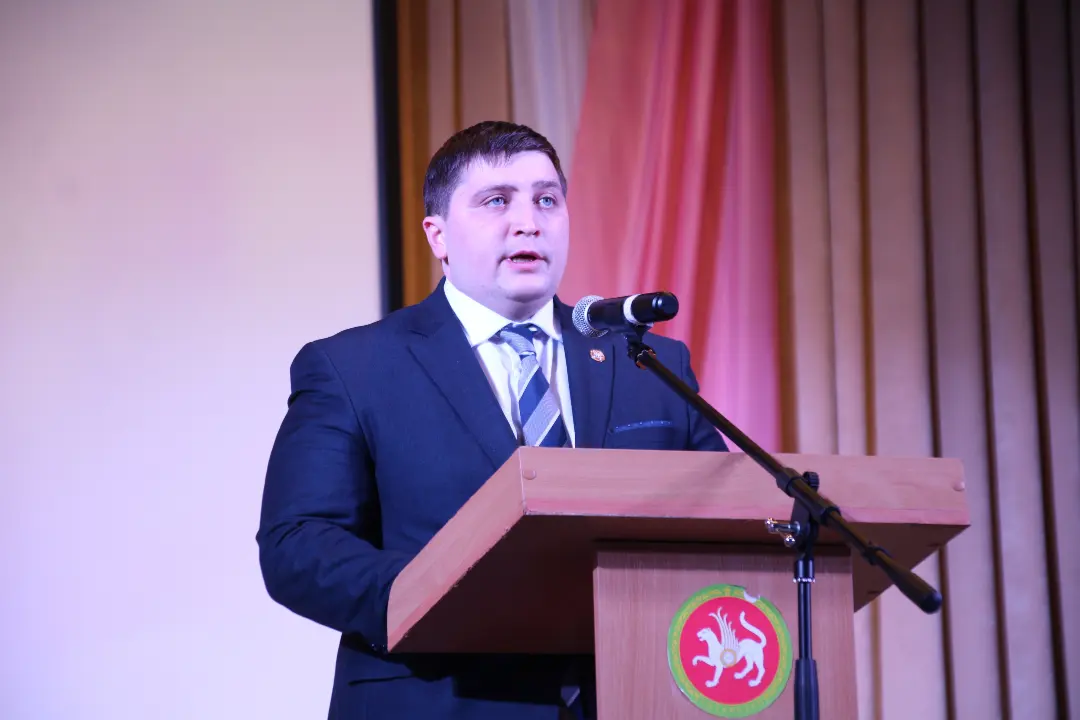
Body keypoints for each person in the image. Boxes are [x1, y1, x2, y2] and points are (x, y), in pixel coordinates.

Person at [257, 121, 728, 719]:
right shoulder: (354, 367)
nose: (528, 222)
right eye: (497, 201)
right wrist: (446, 593)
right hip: (440, 698)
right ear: (438, 235)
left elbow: (725, 523)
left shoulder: (649, 364)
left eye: (547, 200)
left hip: (634, 698)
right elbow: (298, 544)